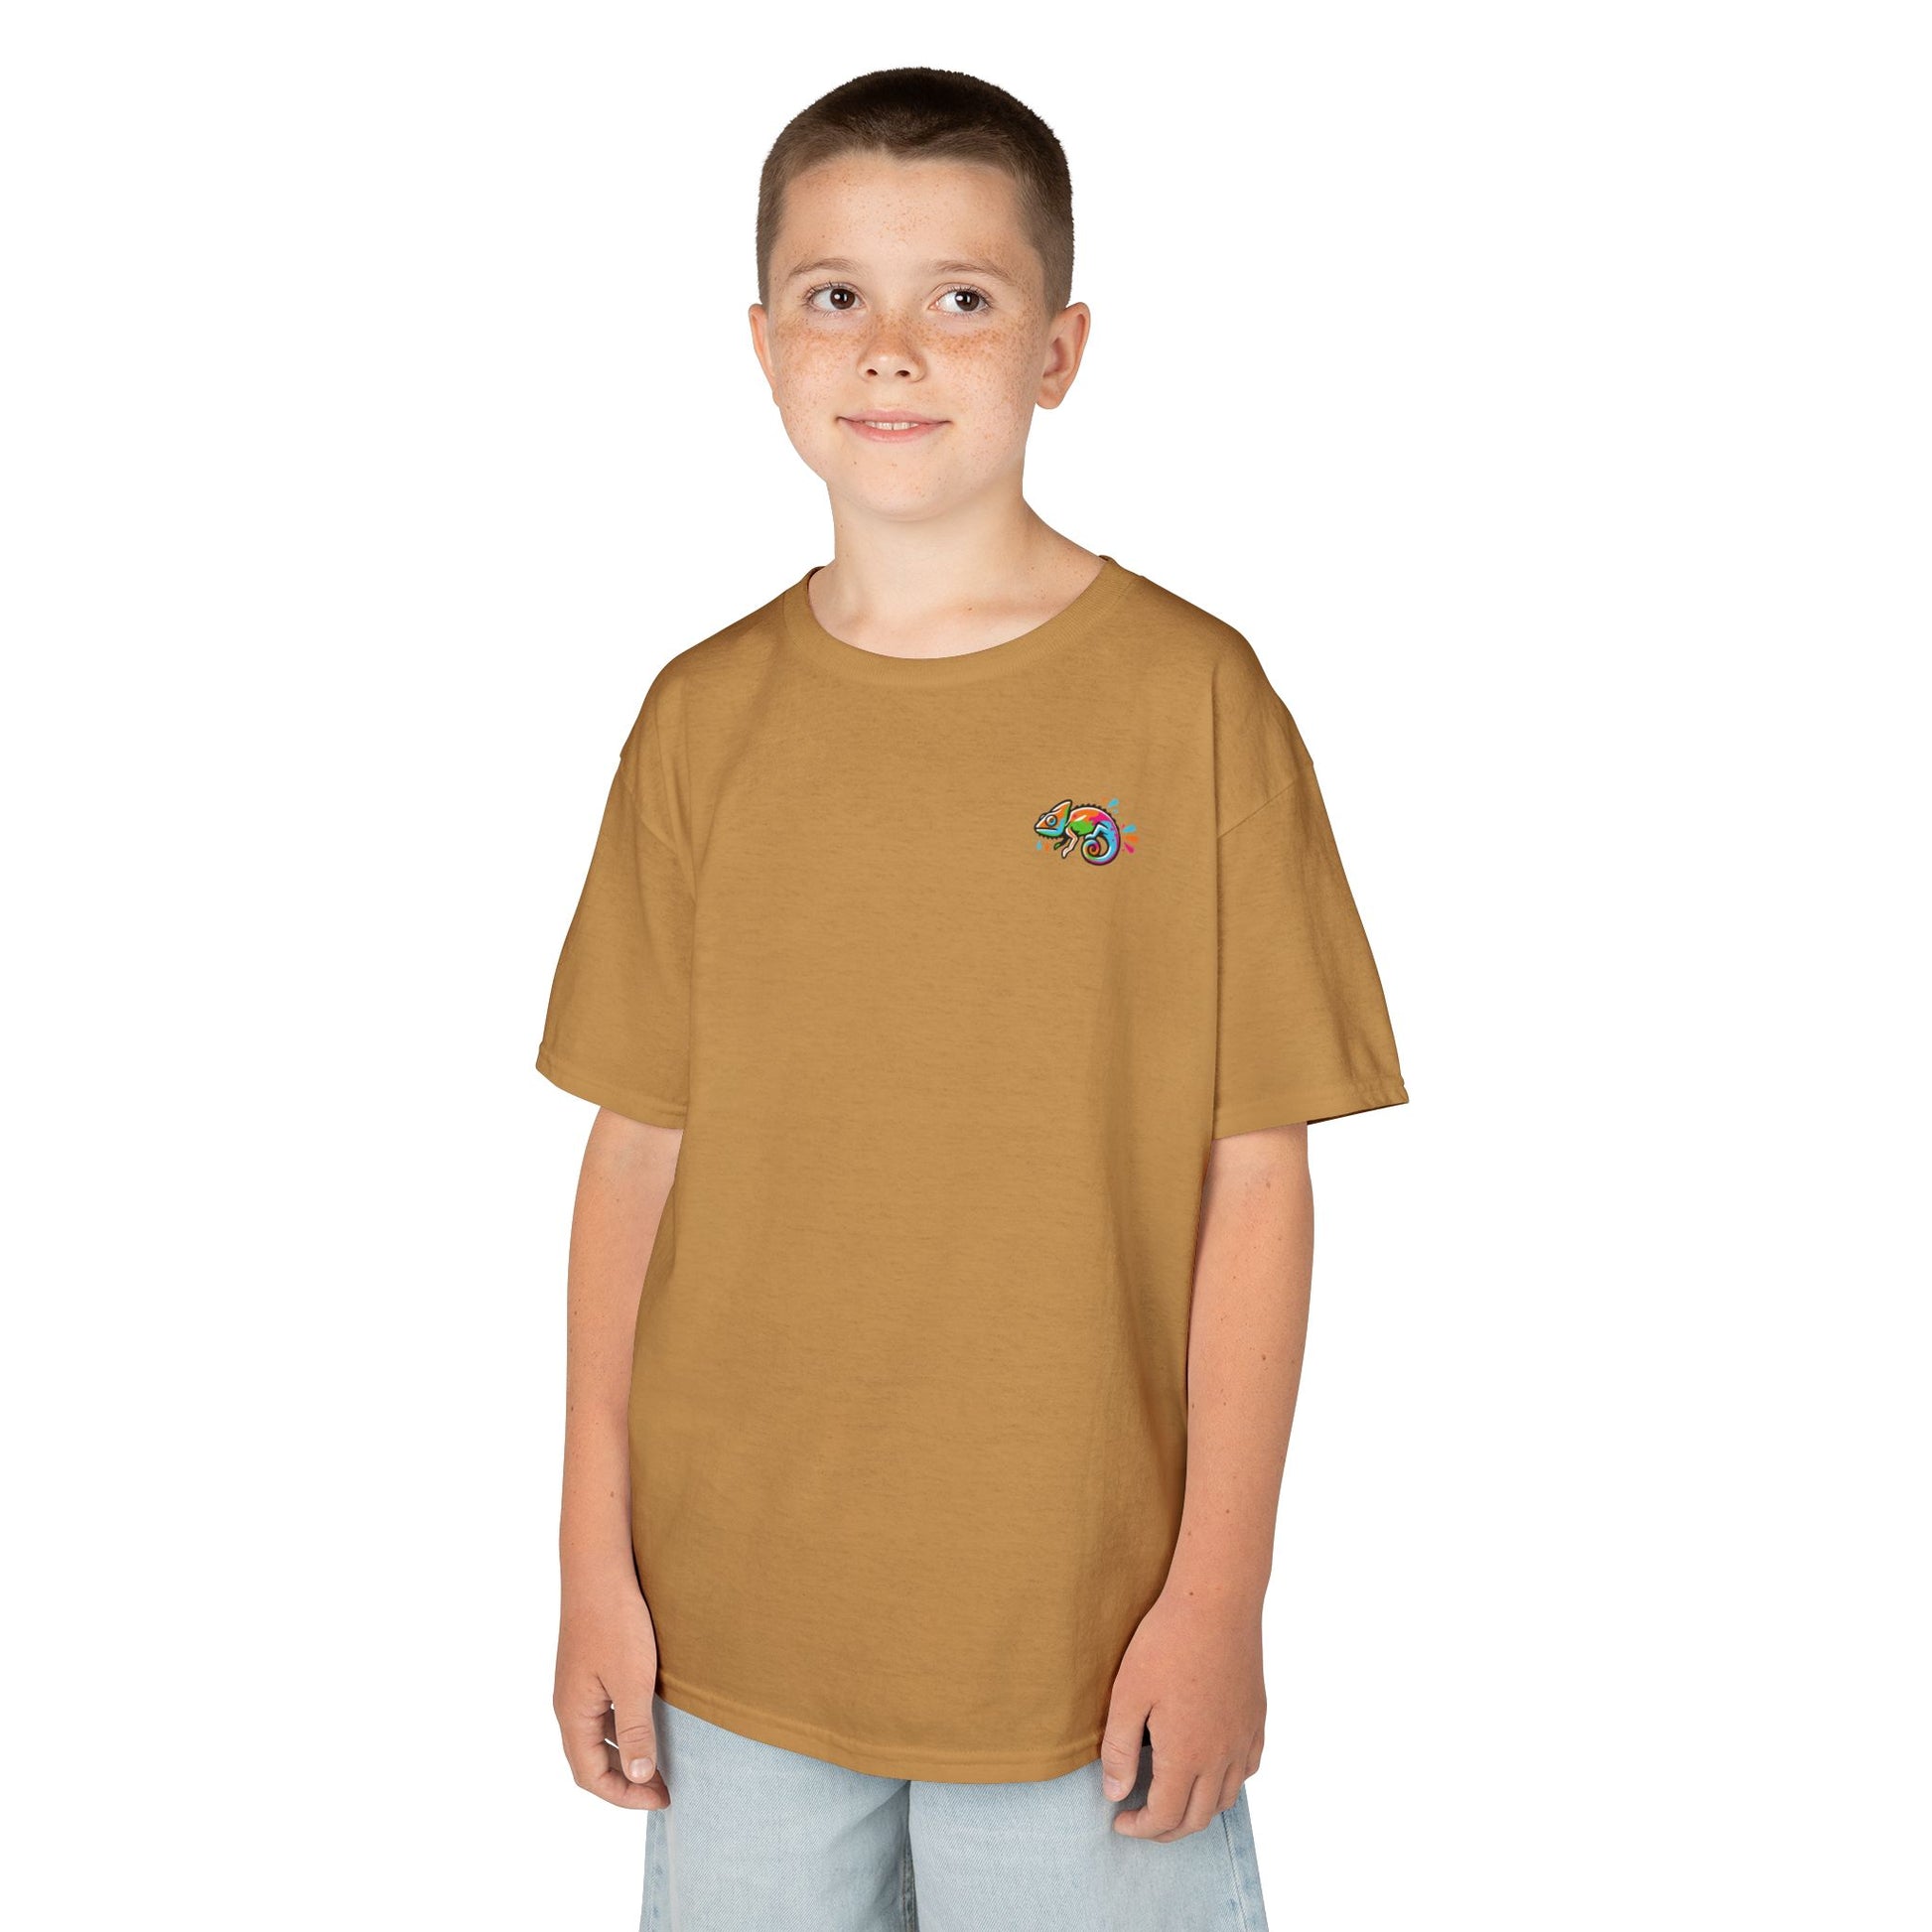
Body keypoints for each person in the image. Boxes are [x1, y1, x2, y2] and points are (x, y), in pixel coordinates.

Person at [535, 66, 1408, 1931]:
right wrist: (590, 1559)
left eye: (962, 295)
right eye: (834, 294)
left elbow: (1255, 1179)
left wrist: (1219, 1595)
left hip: (1079, 1643)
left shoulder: (1189, 701)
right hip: (734, 1628)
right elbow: (635, 1153)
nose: (893, 347)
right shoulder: (700, 717)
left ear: (1059, 348)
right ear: (762, 344)